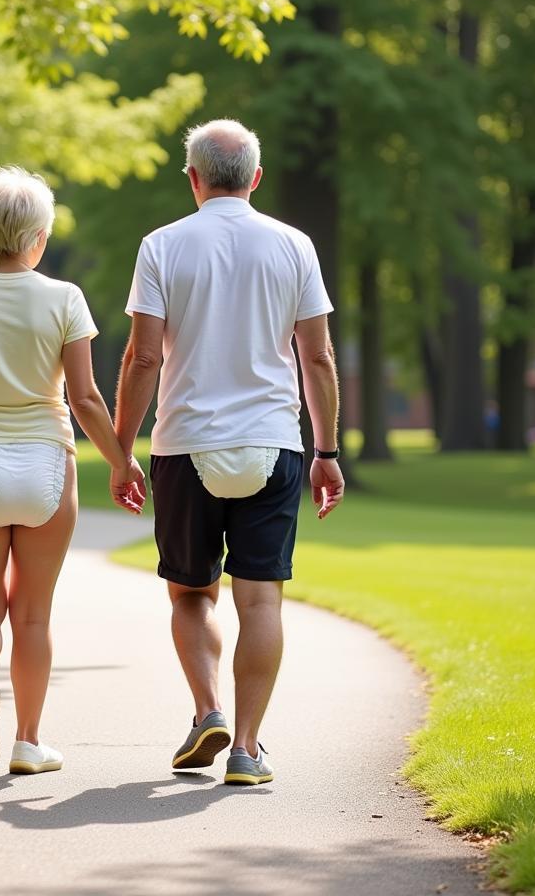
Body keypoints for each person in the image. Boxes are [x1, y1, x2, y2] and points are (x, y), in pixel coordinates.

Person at [112, 118, 344, 785]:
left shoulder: (161, 246)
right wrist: (325, 450)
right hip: (272, 443)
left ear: (193, 178)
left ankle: (207, 709)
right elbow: (318, 355)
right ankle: (246, 747)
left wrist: (123, 451)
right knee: (261, 601)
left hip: (185, 445)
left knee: (191, 595)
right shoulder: (294, 245)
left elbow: (143, 356)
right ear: (256, 179)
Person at [0, 166, 145, 776]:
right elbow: (86, 399)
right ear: (40, 236)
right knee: (34, 613)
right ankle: (27, 741)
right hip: (49, 461)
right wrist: (122, 461)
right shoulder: (65, 298)